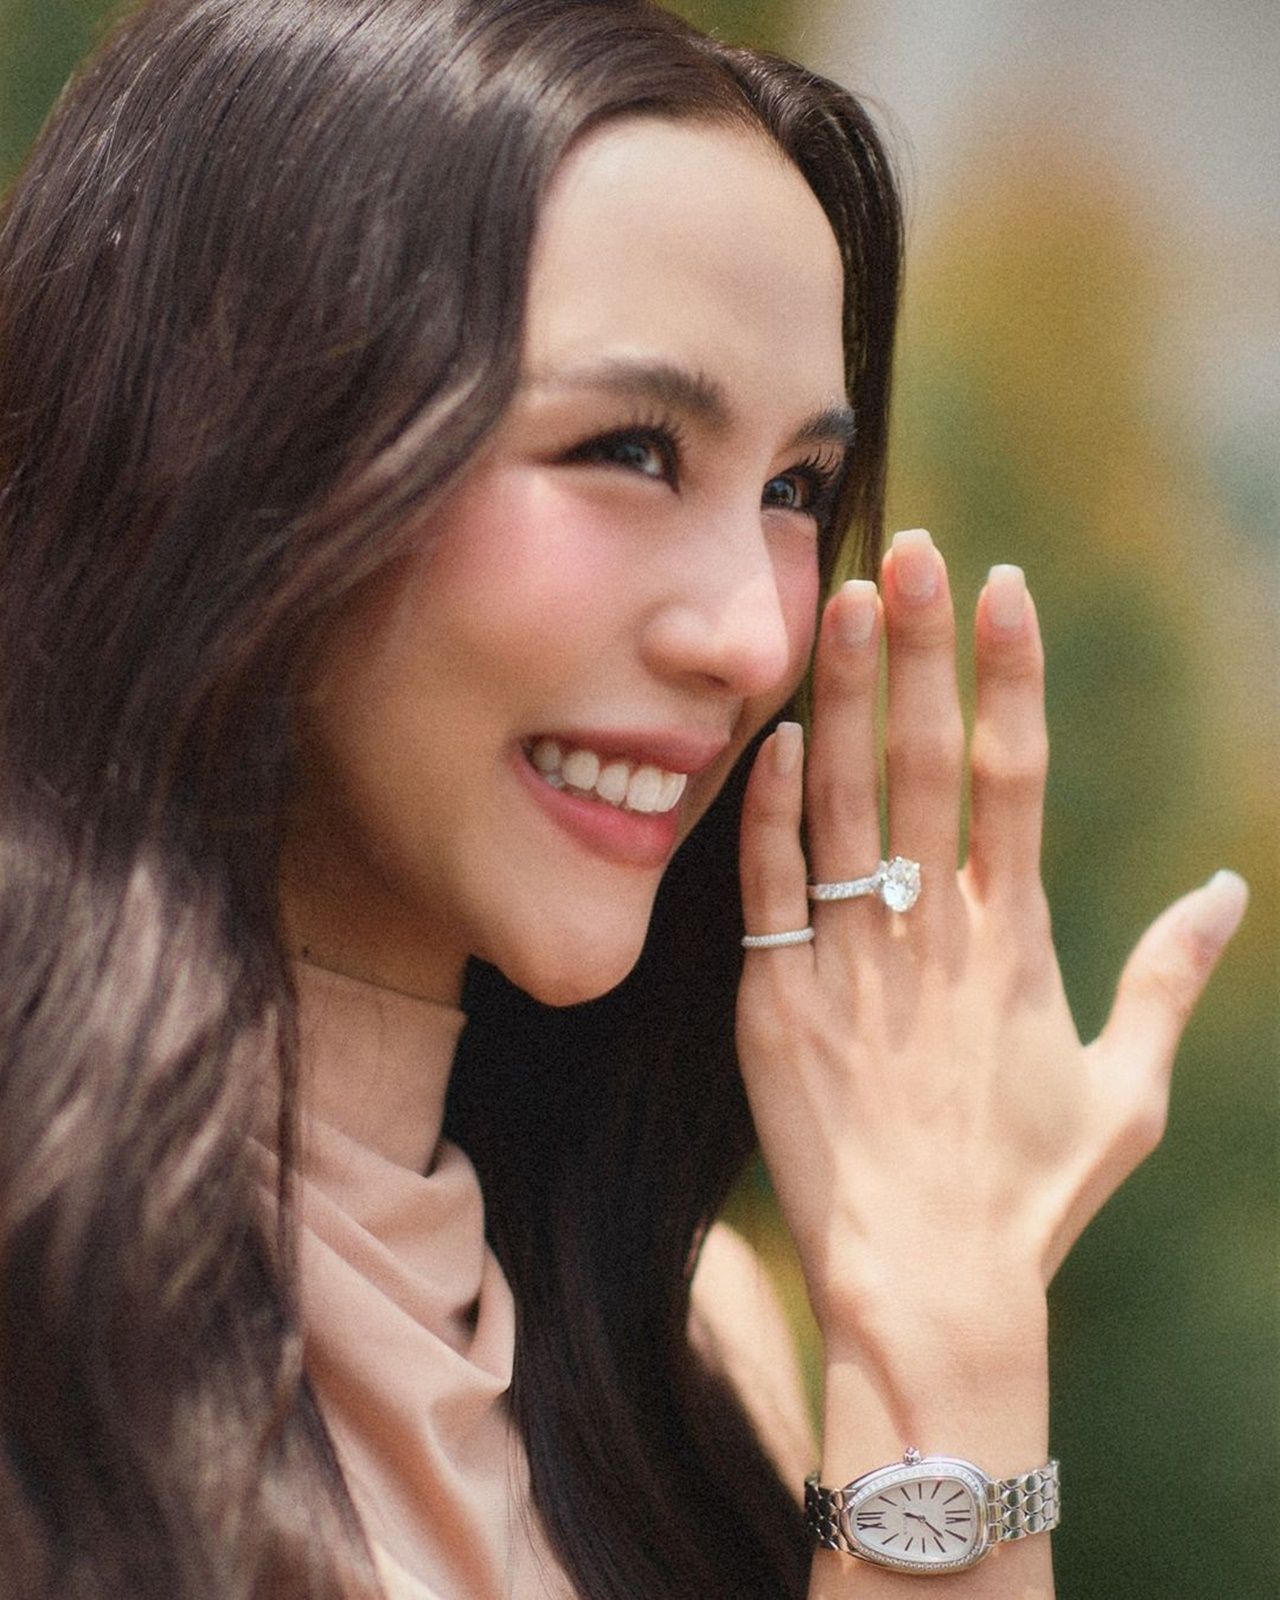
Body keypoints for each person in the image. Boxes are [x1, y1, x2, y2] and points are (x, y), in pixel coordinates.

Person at [0, 1, 1249, 1597]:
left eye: (795, 489)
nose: (753, 637)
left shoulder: (694, 1355)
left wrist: (946, 1329)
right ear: (229, 445)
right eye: (632, 449)